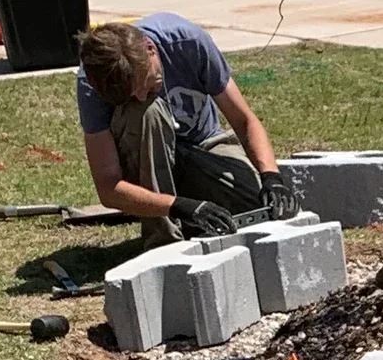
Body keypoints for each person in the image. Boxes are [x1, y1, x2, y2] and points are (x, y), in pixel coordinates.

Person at [74, 15, 288, 235]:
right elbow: (108, 187)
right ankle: (164, 240)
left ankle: (190, 216)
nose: (140, 95)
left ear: (150, 49)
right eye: (130, 94)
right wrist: (175, 206)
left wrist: (271, 176)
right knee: (149, 111)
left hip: (202, 146)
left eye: (146, 84)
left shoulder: (188, 43)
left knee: (258, 203)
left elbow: (244, 121)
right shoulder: (95, 79)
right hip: (141, 163)